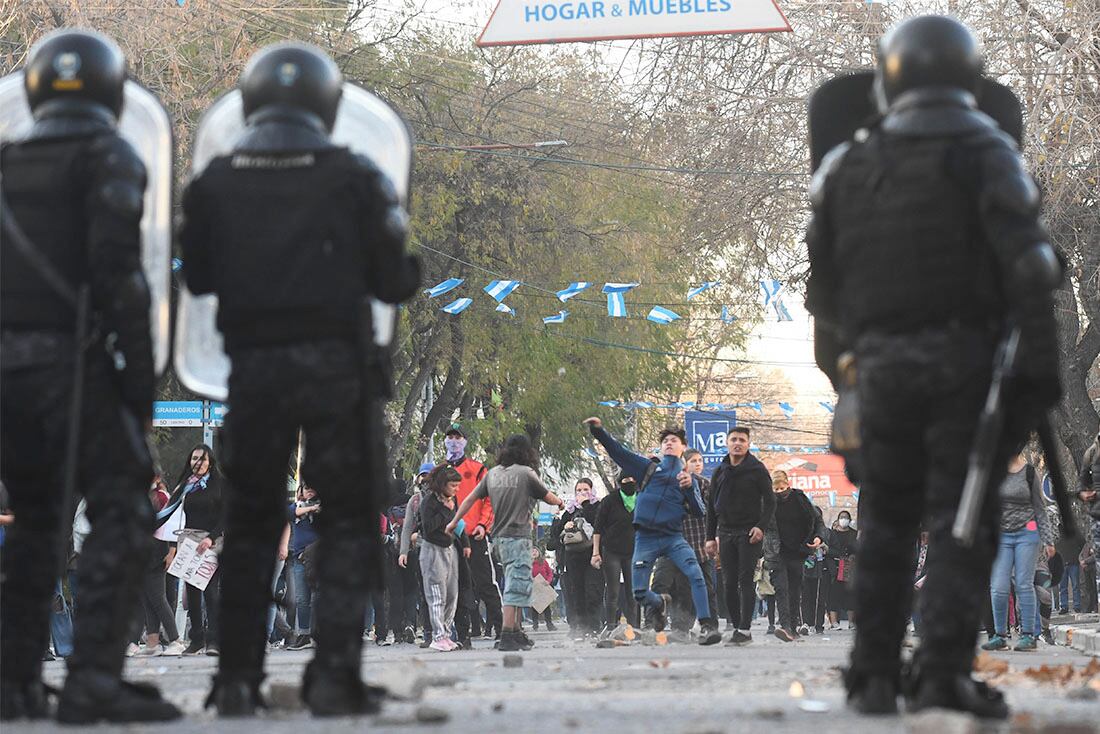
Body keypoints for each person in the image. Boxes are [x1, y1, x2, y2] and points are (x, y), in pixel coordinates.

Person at [805, 16, 1062, 717]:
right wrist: (1040, 379)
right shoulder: (987, 149)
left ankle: (874, 674)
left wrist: (844, 377)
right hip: (964, 366)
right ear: (968, 75)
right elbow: (1029, 269)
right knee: (962, 519)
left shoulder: (846, 166)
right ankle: (943, 669)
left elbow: (822, 295)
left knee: (886, 520)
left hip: (880, 369)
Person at [179, 42, 420, 716]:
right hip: (337, 370)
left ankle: (233, 681)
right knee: (347, 520)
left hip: (253, 371)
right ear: (326, 104)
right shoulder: (356, 174)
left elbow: (196, 278)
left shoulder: (214, 182)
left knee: (252, 522)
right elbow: (392, 281)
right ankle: (334, 675)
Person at [0, 29, 179, 723]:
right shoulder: (108, 155)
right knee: (124, 513)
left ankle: (15, 680)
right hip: (72, 368)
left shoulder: (7, 161)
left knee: (39, 524)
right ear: (109, 89)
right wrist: (139, 384)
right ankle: (93, 679)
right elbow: (120, 279)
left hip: (6, 373)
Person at [586, 418, 722, 645]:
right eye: (666, 440)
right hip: (646, 538)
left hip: (673, 538)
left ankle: (707, 626)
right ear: (661, 447)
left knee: (696, 575)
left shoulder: (689, 478)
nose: (669, 443)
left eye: (674, 440)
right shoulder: (648, 468)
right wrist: (598, 431)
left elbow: (699, 511)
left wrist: (689, 489)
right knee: (639, 593)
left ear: (683, 448)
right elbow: (618, 453)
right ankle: (659, 603)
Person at [448, 434, 564, 651]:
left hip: (499, 540)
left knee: (518, 584)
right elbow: (548, 497)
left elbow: (470, 499)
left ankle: (517, 632)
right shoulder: (526, 473)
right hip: (517, 538)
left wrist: (454, 521)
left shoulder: (492, 474)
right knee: (514, 586)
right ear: (527, 452)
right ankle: (508, 633)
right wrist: (560, 502)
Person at [704, 427, 775, 645]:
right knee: (728, 582)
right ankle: (736, 626)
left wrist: (761, 527)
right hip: (725, 533)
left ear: (748, 444)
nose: (737, 443)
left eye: (742, 440)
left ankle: (745, 629)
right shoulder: (721, 471)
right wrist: (709, 537)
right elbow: (711, 506)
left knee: (745, 580)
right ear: (727, 443)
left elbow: (770, 502)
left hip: (749, 533)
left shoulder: (757, 470)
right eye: (734, 439)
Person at [981, 450, 1054, 652]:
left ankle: (1028, 636)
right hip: (1001, 534)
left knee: (1023, 583)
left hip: (1027, 532)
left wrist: (1048, 540)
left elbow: (1040, 508)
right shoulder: (994, 471)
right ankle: (999, 635)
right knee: (998, 586)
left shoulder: (1030, 472)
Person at [160, 445, 225, 657]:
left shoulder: (219, 484)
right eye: (195, 458)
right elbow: (168, 511)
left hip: (211, 542)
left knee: (211, 591)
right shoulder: (186, 486)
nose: (198, 463)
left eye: (202, 459)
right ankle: (196, 639)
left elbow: (225, 516)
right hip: (189, 542)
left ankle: (214, 639)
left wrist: (211, 537)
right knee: (192, 592)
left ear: (210, 462)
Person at [443, 425, 503, 640]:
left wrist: (482, 525)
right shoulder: (440, 471)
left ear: (465, 441)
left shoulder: (478, 469)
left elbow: (490, 500)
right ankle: (459, 633)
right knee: (452, 586)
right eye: (449, 437)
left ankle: (501, 627)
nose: (453, 441)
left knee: (486, 583)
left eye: (458, 437)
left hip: (474, 535)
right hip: (449, 538)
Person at [764, 470, 825, 642]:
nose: (779, 492)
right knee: (781, 588)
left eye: (782, 488)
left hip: (798, 551)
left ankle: (794, 627)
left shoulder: (800, 499)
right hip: (776, 552)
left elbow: (817, 521)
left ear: (788, 485)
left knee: (795, 589)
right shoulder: (767, 503)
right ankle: (786, 627)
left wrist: (818, 537)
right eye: (775, 489)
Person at [134, 475, 186, 657]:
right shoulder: (140, 495)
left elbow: (172, 525)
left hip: (158, 552)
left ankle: (175, 639)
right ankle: (152, 641)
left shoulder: (161, 497)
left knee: (157, 597)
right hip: (143, 552)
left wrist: (172, 551)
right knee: (148, 599)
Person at [419, 466, 470, 651]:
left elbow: (458, 522)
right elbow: (428, 528)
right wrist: (444, 511)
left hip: (450, 549)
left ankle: (446, 634)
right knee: (436, 594)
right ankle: (437, 635)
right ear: (442, 485)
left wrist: (465, 543)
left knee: (451, 595)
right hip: (433, 550)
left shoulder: (452, 500)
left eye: (458, 485)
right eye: (453, 485)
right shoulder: (429, 502)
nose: (457, 489)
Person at [550, 479, 604, 637]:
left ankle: (594, 625)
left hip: (593, 555)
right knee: (576, 592)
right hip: (573, 557)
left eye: (585, 489)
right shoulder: (570, 510)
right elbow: (556, 535)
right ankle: (580, 627)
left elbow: (598, 522)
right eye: (579, 490)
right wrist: (564, 525)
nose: (581, 493)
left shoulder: (597, 506)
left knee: (593, 591)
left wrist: (586, 504)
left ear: (591, 490)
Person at [593, 473, 638, 630]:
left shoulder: (640, 498)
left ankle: (635, 626)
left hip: (633, 551)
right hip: (612, 550)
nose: (629, 482)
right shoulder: (610, 501)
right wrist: (595, 552)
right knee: (613, 591)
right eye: (626, 480)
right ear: (620, 482)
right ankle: (611, 625)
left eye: (632, 480)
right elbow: (597, 528)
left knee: (633, 591)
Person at [399, 463, 435, 646]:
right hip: (422, 551)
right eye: (423, 475)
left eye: (429, 475)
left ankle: (446, 631)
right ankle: (429, 633)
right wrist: (403, 552)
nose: (425, 479)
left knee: (445, 593)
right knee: (425, 593)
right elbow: (407, 528)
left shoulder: (443, 496)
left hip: (442, 551)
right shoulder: (414, 500)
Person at [285, 484, 320, 651]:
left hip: (319, 560)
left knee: (317, 598)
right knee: (301, 599)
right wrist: (312, 507)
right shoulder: (297, 506)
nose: (309, 489)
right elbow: (291, 513)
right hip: (299, 559)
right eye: (306, 487)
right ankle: (304, 634)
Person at [827, 511, 857, 630]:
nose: (844, 520)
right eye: (841, 517)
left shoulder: (854, 534)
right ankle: (834, 622)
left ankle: (851, 622)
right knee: (833, 595)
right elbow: (829, 550)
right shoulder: (832, 534)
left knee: (850, 594)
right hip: (835, 567)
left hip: (849, 567)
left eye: (846, 518)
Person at [530, 548, 557, 630]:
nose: (534, 553)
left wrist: (548, 581)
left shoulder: (544, 562)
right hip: (534, 586)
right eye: (532, 551)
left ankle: (549, 624)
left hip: (543, 585)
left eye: (535, 551)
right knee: (534, 606)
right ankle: (535, 624)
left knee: (546, 606)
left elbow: (550, 573)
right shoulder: (528, 563)